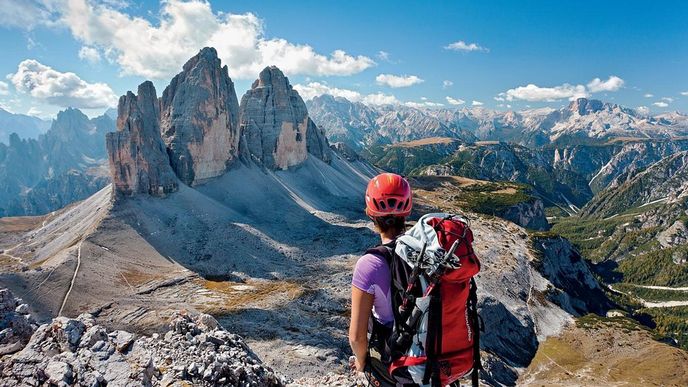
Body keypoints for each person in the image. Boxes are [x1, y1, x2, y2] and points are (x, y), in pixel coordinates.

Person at [349, 173, 413, 386]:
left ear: (370, 213)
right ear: (408, 210)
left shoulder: (369, 264)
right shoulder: (426, 253)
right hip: (435, 355)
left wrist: (361, 363)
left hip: (398, 362)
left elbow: (357, 337)